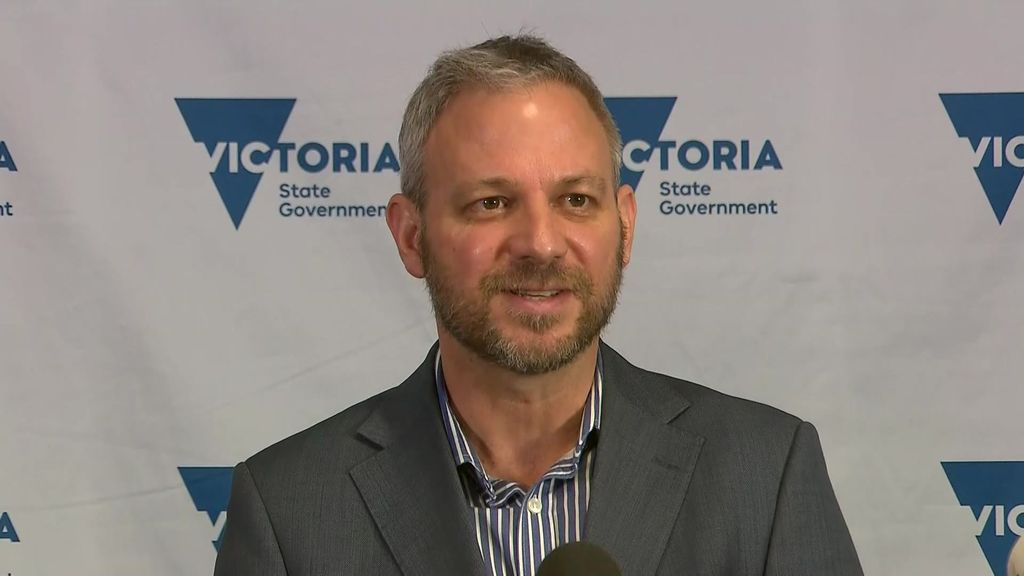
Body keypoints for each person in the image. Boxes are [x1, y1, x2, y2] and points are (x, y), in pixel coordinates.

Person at [214, 34, 863, 576]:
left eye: (575, 200)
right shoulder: (290, 511)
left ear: (625, 225)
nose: (541, 243)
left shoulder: (764, 474)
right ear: (412, 237)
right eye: (492, 203)